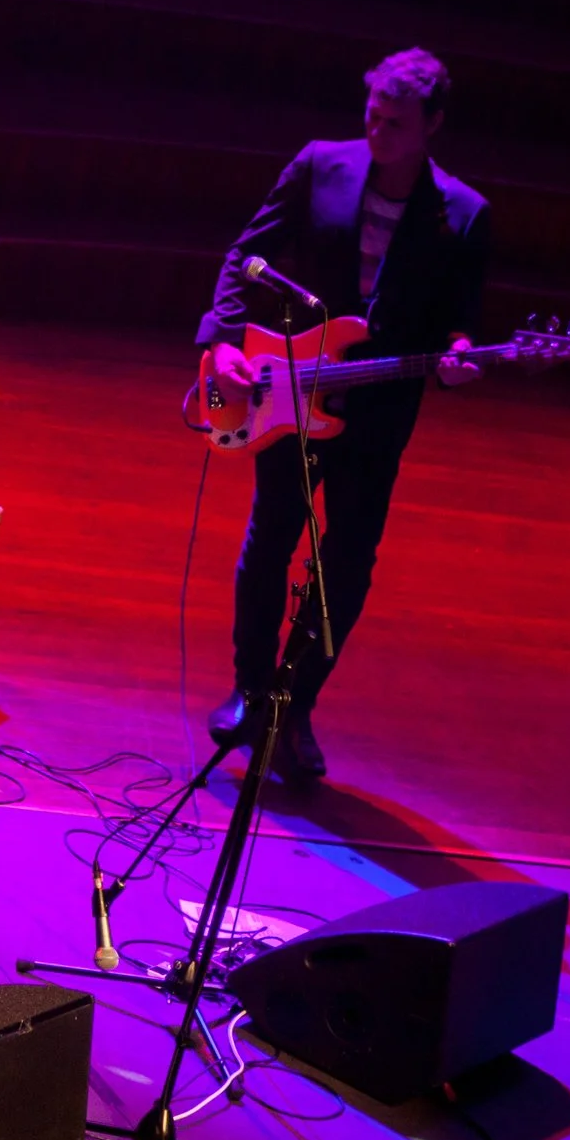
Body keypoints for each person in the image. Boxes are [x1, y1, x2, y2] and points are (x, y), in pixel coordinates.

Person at [198, 48, 490, 781]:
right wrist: (227, 339)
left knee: (346, 566)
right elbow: (246, 252)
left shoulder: (463, 214)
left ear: (433, 127)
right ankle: (250, 687)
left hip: (379, 411)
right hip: (293, 388)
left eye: (396, 123)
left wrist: (457, 357)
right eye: (373, 115)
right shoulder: (321, 164)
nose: (378, 130)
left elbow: (458, 320)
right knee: (271, 542)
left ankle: (295, 708)